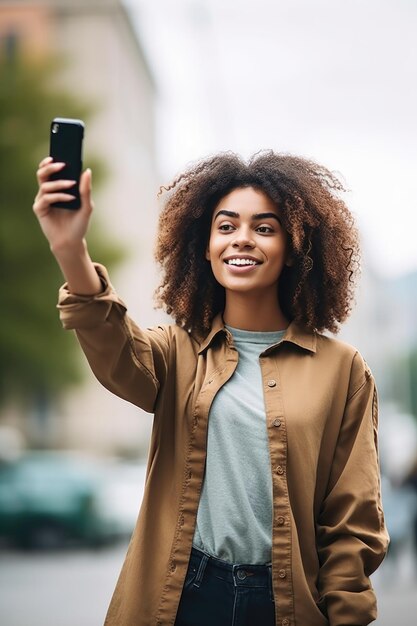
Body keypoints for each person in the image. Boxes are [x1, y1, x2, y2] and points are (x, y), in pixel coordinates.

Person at [33, 150, 389, 626]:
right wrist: (69, 248)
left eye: (265, 228)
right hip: (182, 596)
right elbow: (113, 346)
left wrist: (348, 613)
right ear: (204, 246)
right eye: (226, 226)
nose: (242, 239)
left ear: (293, 249)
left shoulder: (343, 370)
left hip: (285, 605)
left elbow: (353, 520)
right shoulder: (174, 352)